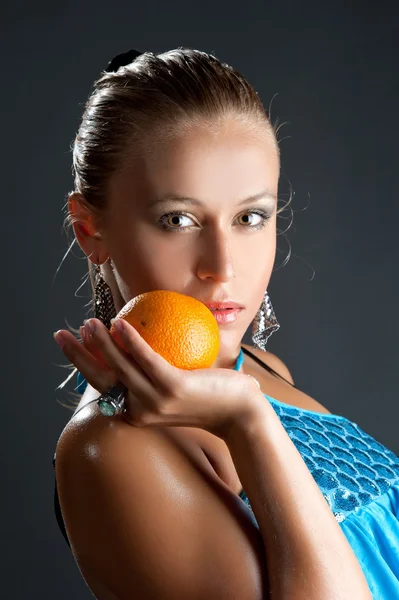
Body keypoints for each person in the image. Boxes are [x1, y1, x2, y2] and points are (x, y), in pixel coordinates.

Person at [52, 47, 398, 600]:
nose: (223, 266)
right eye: (178, 219)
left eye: (249, 217)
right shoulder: (114, 449)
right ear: (90, 229)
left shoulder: (260, 365)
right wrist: (246, 421)